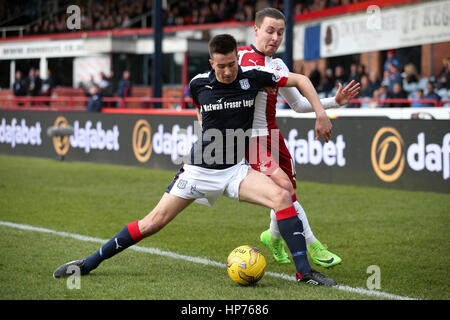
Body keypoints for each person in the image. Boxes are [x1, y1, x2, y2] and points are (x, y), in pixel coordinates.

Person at [53, 34, 337, 286]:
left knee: (282, 197)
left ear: (237, 59)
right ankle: (87, 264)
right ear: (211, 63)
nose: (227, 71)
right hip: (198, 172)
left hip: (235, 171)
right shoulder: (198, 84)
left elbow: (300, 80)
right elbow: (200, 112)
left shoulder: (254, 76)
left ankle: (304, 273)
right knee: (152, 223)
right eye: (220, 65)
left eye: (231, 64)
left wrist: (321, 113)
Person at [238, 7, 359, 267]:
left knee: (286, 191)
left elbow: (299, 105)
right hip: (251, 139)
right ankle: (313, 245)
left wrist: (335, 102)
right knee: (285, 189)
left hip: (273, 135)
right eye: (269, 31)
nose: (275, 37)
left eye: (280, 33)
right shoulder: (240, 58)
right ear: (256, 29)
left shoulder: (279, 65)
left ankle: (272, 236)